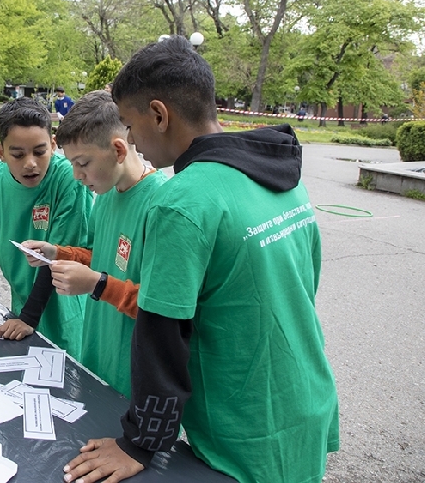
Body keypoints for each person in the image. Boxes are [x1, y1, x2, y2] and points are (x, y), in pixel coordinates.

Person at [63, 36, 339, 483]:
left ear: (159, 114)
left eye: (131, 126)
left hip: (244, 425)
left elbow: (162, 332)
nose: (131, 140)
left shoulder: (181, 203)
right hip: (305, 396)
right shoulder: (280, 177)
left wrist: (139, 442)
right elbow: (305, 284)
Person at [22, 90, 167, 397]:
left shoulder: (162, 205)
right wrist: (58, 252)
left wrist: (96, 285)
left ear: (117, 150)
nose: (76, 175)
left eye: (83, 163)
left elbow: (163, 307)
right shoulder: (105, 195)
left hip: (134, 377)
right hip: (97, 356)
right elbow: (103, 257)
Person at [0, 97, 93, 358]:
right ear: (0, 152)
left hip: (65, 307)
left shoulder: (68, 180)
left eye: (40, 152)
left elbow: (59, 258)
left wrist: (29, 318)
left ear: (53, 145)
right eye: (18, 155)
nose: (30, 163)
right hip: (23, 303)